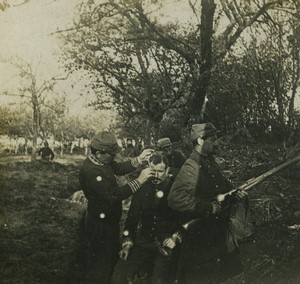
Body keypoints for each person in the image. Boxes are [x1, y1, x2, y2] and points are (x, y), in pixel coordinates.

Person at [167, 123, 248, 284]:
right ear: (200, 141)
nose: (216, 143)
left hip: (218, 235)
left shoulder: (210, 162)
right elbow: (175, 198)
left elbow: (222, 190)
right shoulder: (192, 166)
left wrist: (235, 194)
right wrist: (208, 207)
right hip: (201, 239)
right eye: (213, 139)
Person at [79, 131, 154, 284]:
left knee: (110, 260)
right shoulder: (92, 171)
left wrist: (138, 160)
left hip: (109, 223)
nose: (114, 157)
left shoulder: (102, 161)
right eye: (111, 154)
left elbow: (118, 169)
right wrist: (139, 181)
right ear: (99, 153)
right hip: (100, 226)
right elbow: (114, 194)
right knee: (99, 266)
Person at [111, 152, 181, 284]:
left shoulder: (175, 189)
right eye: (152, 171)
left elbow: (185, 219)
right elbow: (132, 220)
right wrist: (127, 244)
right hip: (144, 242)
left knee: (159, 280)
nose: (155, 176)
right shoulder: (142, 189)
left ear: (167, 170)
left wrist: (175, 237)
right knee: (118, 276)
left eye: (160, 172)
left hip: (166, 244)